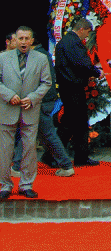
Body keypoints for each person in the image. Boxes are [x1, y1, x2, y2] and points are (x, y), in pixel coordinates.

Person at [11, 34, 74, 177]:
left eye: (23, 40)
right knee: (28, 133)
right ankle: (17, 166)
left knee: (46, 134)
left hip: (38, 101)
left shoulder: (36, 57)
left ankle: (65, 164)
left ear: (31, 41)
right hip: (42, 100)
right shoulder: (42, 54)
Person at [0, 26, 51, 199]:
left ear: (31, 40)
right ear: (15, 39)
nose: (23, 42)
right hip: (7, 109)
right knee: (5, 150)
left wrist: (33, 97)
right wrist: (9, 95)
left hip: (30, 110)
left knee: (30, 149)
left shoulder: (41, 58)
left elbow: (46, 83)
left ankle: (26, 184)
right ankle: (5, 185)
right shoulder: (2, 57)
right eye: (20, 39)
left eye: (26, 39)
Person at [54, 17, 101, 167]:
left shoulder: (64, 42)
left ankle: (55, 155)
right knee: (77, 123)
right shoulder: (74, 43)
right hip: (74, 87)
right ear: (81, 29)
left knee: (70, 122)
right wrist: (96, 72)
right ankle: (77, 157)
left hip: (67, 86)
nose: (86, 37)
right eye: (86, 33)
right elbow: (83, 63)